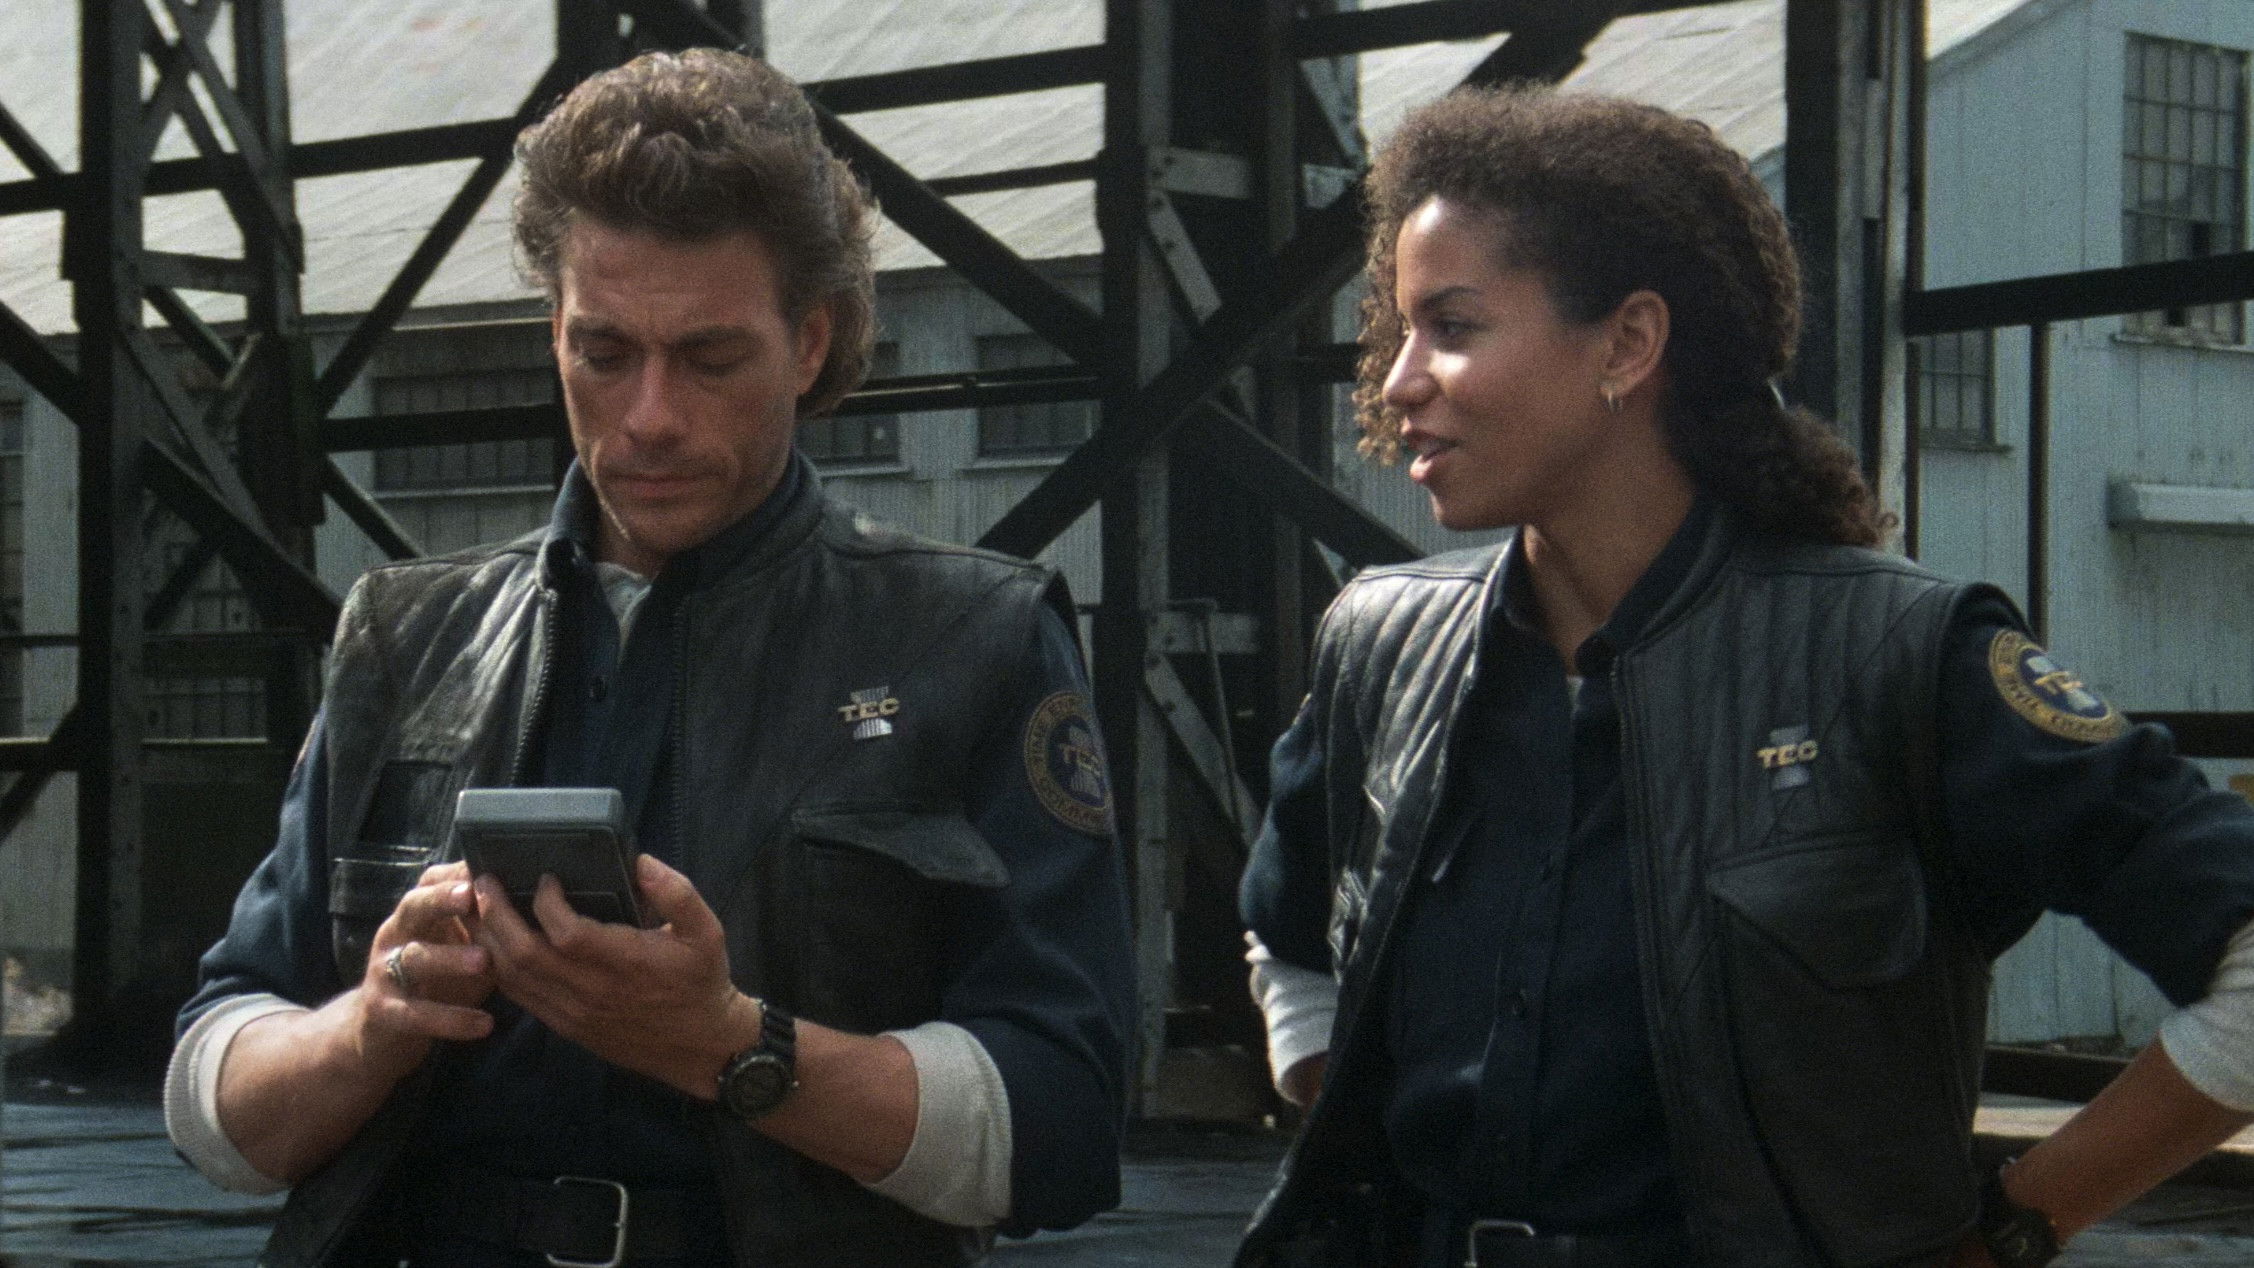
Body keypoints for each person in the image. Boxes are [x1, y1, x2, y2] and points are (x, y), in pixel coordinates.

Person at [1236, 85, 2254, 1268]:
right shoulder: (1379, 646)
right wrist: (1348, 1122)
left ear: (1628, 344)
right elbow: (1287, 933)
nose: (1398, 381)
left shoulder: (1897, 654)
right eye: (1399, 331)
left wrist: (2014, 1224)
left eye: (1452, 327)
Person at [164, 49, 1134, 1268]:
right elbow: (213, 1094)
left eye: (709, 358)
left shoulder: (976, 639)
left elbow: (1064, 1125)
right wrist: (373, 1024)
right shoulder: (404, 637)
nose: (650, 416)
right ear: (554, 336)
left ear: (809, 341)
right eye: (604, 353)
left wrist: (728, 1044)